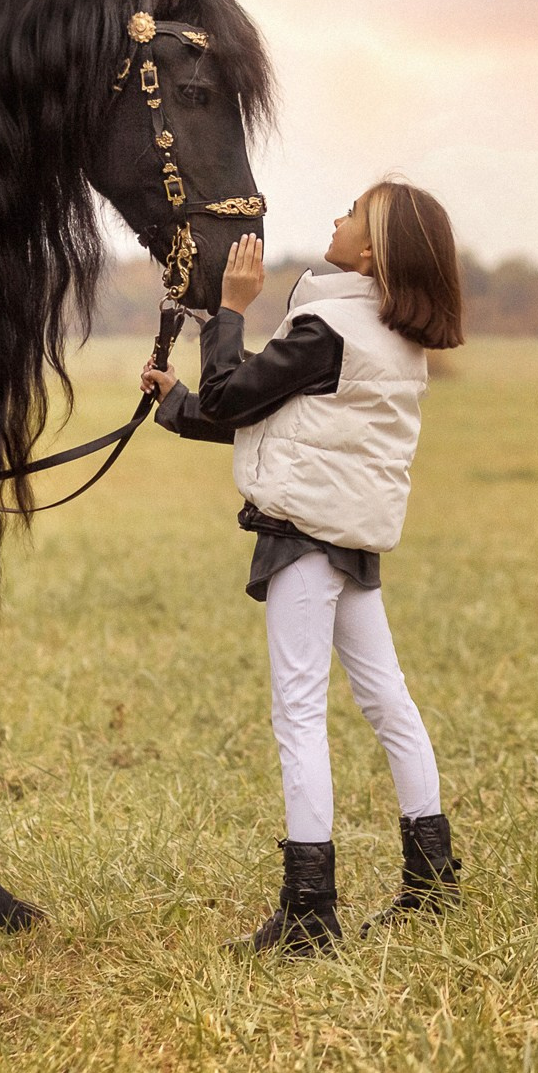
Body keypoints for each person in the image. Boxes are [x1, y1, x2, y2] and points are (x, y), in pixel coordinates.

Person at [143, 179, 465, 954]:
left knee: (298, 712)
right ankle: (432, 881)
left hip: (305, 535)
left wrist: (230, 310)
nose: (337, 219)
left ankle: (310, 911)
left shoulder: (327, 327)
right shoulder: (388, 334)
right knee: (388, 701)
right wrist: (179, 403)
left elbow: (233, 395)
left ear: (374, 251)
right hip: (348, 536)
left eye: (352, 214)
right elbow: (278, 414)